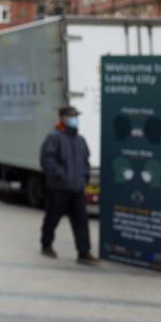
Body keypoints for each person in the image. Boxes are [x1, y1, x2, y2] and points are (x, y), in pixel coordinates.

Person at [39, 105, 98, 264]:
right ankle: (46, 244)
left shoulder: (80, 140)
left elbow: (85, 161)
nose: (75, 119)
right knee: (52, 218)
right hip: (59, 188)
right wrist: (59, 175)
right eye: (72, 116)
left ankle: (84, 253)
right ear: (63, 118)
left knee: (81, 221)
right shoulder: (54, 137)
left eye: (76, 116)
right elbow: (47, 160)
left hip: (77, 188)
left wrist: (84, 177)